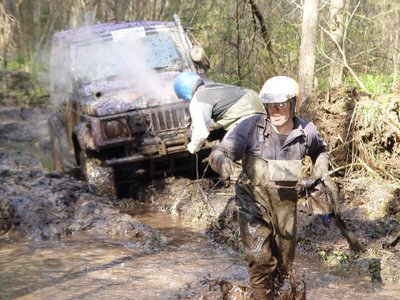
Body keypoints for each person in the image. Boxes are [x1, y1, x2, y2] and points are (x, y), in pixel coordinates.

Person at [209, 76, 330, 299]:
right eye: (270, 104)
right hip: (251, 202)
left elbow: (321, 151)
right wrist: (222, 163)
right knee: (260, 257)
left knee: (284, 265)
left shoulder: (306, 131)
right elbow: (219, 152)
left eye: (281, 104)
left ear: (294, 103)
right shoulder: (250, 127)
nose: (275, 109)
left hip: (285, 206)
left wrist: (321, 169)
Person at [173, 71, 265, 154]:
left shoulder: (197, 99)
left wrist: (192, 147)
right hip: (258, 104)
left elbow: (201, 133)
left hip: (245, 115)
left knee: (230, 156)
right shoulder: (213, 87)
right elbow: (223, 115)